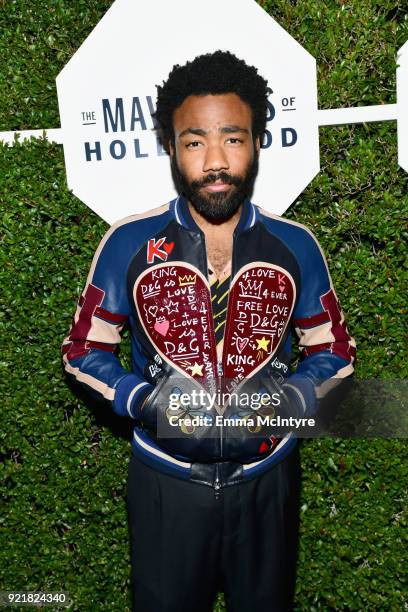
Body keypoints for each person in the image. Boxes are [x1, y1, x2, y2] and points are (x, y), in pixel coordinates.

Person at [61, 50, 356, 612]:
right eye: (195, 142)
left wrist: (292, 398)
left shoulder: (295, 245)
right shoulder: (129, 243)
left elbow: (334, 351)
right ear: (170, 147)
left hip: (269, 478)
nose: (215, 161)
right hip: (165, 483)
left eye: (234, 139)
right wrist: (141, 399)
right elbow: (83, 350)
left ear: (257, 143)